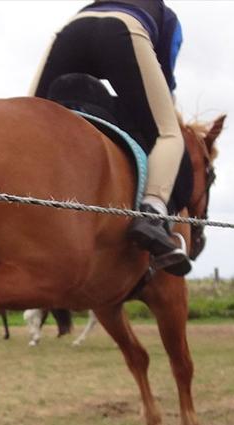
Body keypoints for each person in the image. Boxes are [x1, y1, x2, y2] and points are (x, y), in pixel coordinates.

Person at [31, 0, 191, 276]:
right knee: (169, 133)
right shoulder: (168, 17)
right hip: (124, 32)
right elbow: (164, 83)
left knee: (28, 117)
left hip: (70, 31)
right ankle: (152, 215)